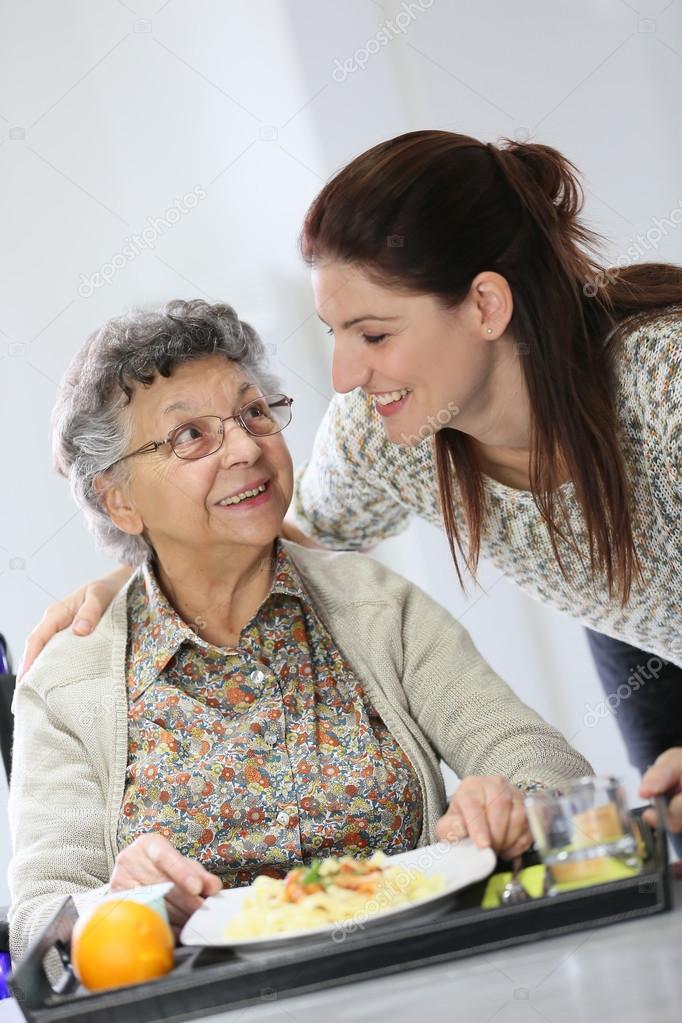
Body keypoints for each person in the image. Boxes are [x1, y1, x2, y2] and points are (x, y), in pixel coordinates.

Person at [19, 130, 682, 820]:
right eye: (334, 332)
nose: (343, 374)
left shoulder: (665, 385)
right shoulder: (382, 431)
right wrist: (137, 575)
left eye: (373, 335)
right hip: (641, 622)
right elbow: (278, 528)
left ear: (486, 305)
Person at [8, 300, 592, 964]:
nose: (248, 447)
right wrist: (116, 904)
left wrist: (510, 804)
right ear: (119, 498)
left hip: (422, 979)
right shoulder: (68, 683)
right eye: (191, 436)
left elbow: (556, 774)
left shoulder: (376, 605)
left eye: (253, 412)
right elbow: (35, 917)